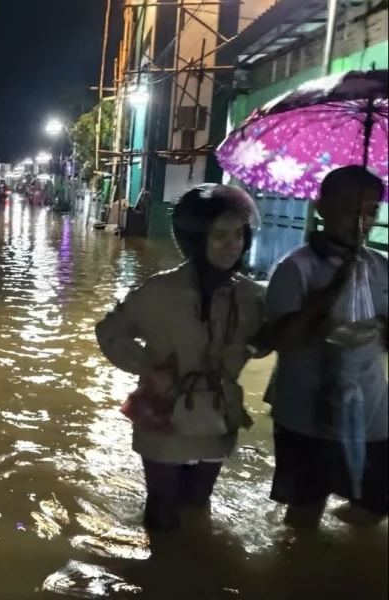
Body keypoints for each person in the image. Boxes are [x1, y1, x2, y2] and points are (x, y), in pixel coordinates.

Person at [96, 184, 266, 531]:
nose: (231, 244)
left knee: (199, 502)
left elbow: (264, 344)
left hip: (218, 415)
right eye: (219, 235)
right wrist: (148, 367)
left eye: (238, 234)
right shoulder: (158, 291)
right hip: (164, 413)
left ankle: (191, 568)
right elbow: (109, 332)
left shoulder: (252, 297)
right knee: (161, 508)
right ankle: (160, 575)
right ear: (194, 238)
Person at [261, 165, 388, 528]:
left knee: (373, 509)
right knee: (303, 513)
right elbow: (279, 342)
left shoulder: (381, 268)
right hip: (305, 414)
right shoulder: (295, 268)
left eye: (370, 212)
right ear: (322, 208)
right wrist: (328, 296)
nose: (361, 222)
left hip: (372, 414)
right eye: (351, 211)